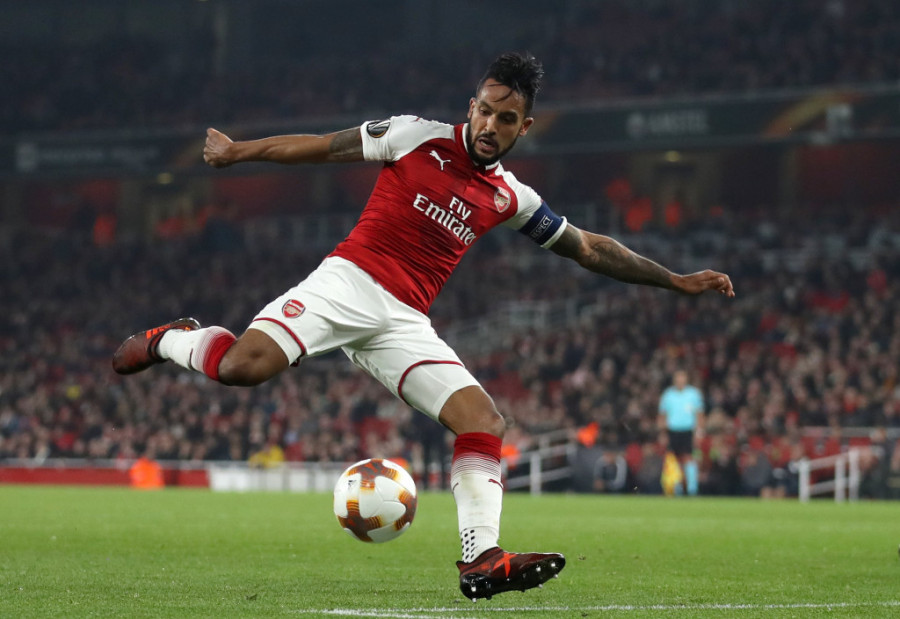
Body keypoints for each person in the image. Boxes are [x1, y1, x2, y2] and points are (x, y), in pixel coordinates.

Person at [112, 52, 734, 600]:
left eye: (507, 119)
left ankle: (481, 558)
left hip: (403, 322)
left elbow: (589, 248)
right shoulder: (415, 136)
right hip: (347, 283)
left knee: (483, 421)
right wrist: (237, 152)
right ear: (471, 105)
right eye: (485, 111)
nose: (491, 126)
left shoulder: (510, 196)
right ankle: (172, 339)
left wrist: (674, 279)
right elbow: (324, 147)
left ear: (524, 127)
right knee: (241, 368)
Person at [658, 369, 706, 495]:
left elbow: (699, 414)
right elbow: (662, 415)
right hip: (672, 430)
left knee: (689, 458)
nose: (680, 380)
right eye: (678, 378)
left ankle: (692, 488)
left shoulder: (694, 394)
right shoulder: (668, 395)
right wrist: (663, 432)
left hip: (688, 430)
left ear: (686, 379)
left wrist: (699, 431)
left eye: (682, 377)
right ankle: (676, 487)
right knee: (673, 459)